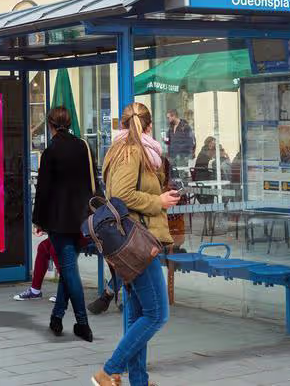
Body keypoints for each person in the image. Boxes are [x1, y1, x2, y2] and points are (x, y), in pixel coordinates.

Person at [92, 102, 178, 386]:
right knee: (157, 314)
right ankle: (108, 371)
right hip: (138, 244)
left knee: (138, 312)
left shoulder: (125, 149)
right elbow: (121, 195)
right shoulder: (132, 151)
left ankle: (138, 381)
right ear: (149, 126)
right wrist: (158, 201)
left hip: (134, 240)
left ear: (123, 124)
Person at [31, 106, 95, 342]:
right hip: (82, 220)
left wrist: (38, 220)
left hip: (59, 221)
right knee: (68, 269)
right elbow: (93, 182)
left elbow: (43, 191)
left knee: (69, 271)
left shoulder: (51, 152)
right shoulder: (84, 147)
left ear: (50, 125)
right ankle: (56, 317)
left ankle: (83, 324)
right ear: (69, 123)